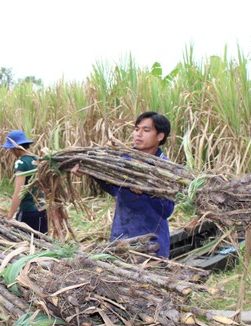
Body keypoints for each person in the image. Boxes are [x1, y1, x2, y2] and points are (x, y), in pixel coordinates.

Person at [73, 111, 175, 258]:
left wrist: (148, 191)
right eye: (136, 129)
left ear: (160, 136)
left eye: (146, 130)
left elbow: (167, 211)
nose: (138, 134)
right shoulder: (123, 160)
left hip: (152, 243)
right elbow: (115, 190)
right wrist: (92, 172)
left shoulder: (166, 169)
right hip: (121, 240)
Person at [1, 129, 48, 234]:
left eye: (10, 149)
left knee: (26, 243)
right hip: (43, 211)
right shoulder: (39, 160)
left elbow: (19, 192)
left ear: (16, 148)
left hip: (28, 212)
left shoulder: (21, 163)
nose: (10, 151)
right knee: (43, 243)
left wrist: (10, 216)